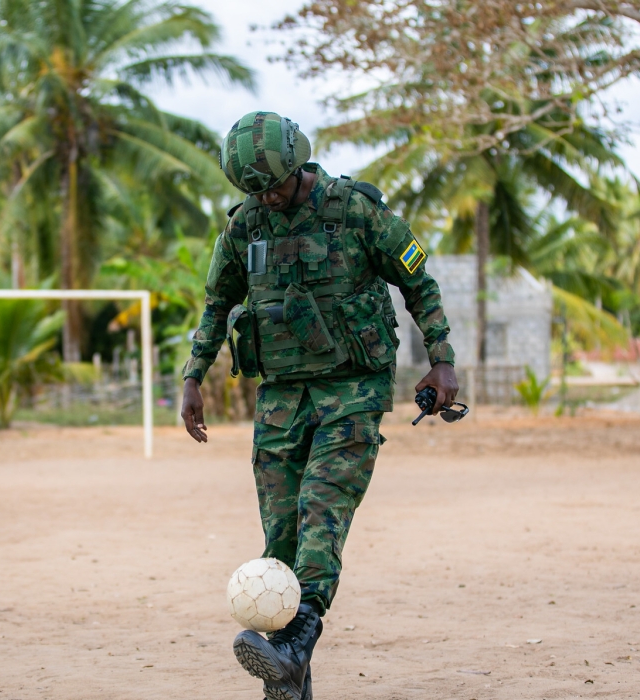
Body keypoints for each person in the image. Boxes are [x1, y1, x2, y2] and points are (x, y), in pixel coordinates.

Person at [180, 111, 458, 700]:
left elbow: (419, 281)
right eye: (255, 190)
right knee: (279, 538)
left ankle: (295, 639)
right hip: (280, 396)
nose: (268, 197)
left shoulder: (354, 209)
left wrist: (442, 357)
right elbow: (215, 304)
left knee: (320, 513)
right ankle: (288, 676)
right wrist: (192, 376)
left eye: (276, 184)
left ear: (299, 162)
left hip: (352, 391)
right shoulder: (244, 227)